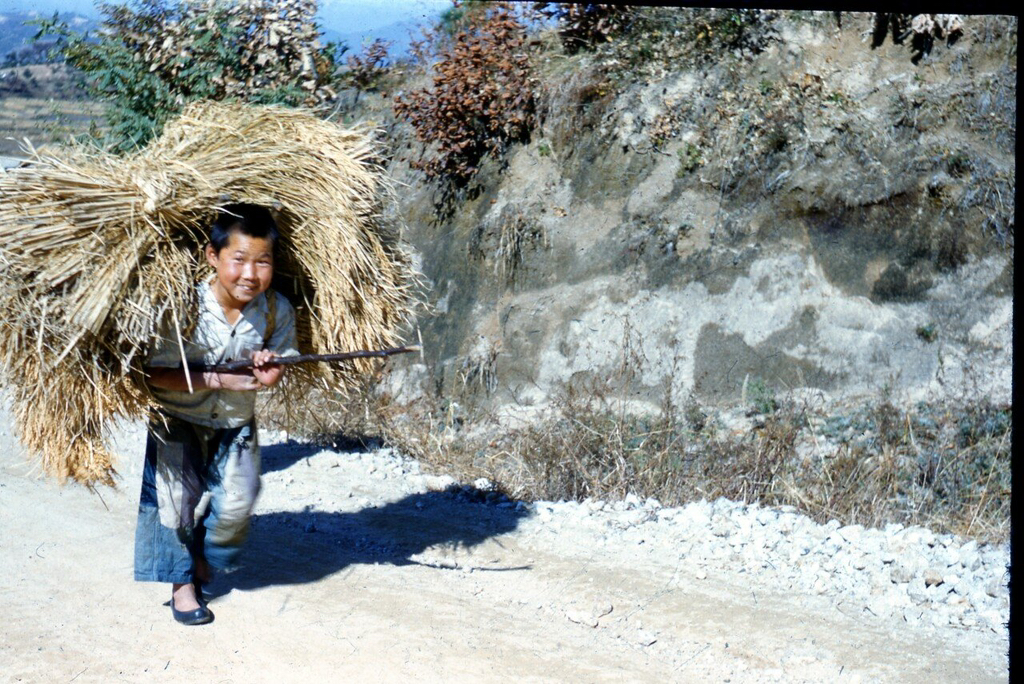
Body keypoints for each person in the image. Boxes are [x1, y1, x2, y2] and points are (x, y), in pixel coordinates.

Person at [135, 204, 299, 625]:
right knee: (174, 504)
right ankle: (182, 586)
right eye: (238, 260)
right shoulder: (183, 306)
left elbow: (275, 372)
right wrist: (219, 379)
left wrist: (268, 369)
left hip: (234, 424)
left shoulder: (276, 310)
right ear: (213, 256)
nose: (250, 274)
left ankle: (204, 552)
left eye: (262, 262)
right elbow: (153, 374)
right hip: (177, 419)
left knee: (239, 501)